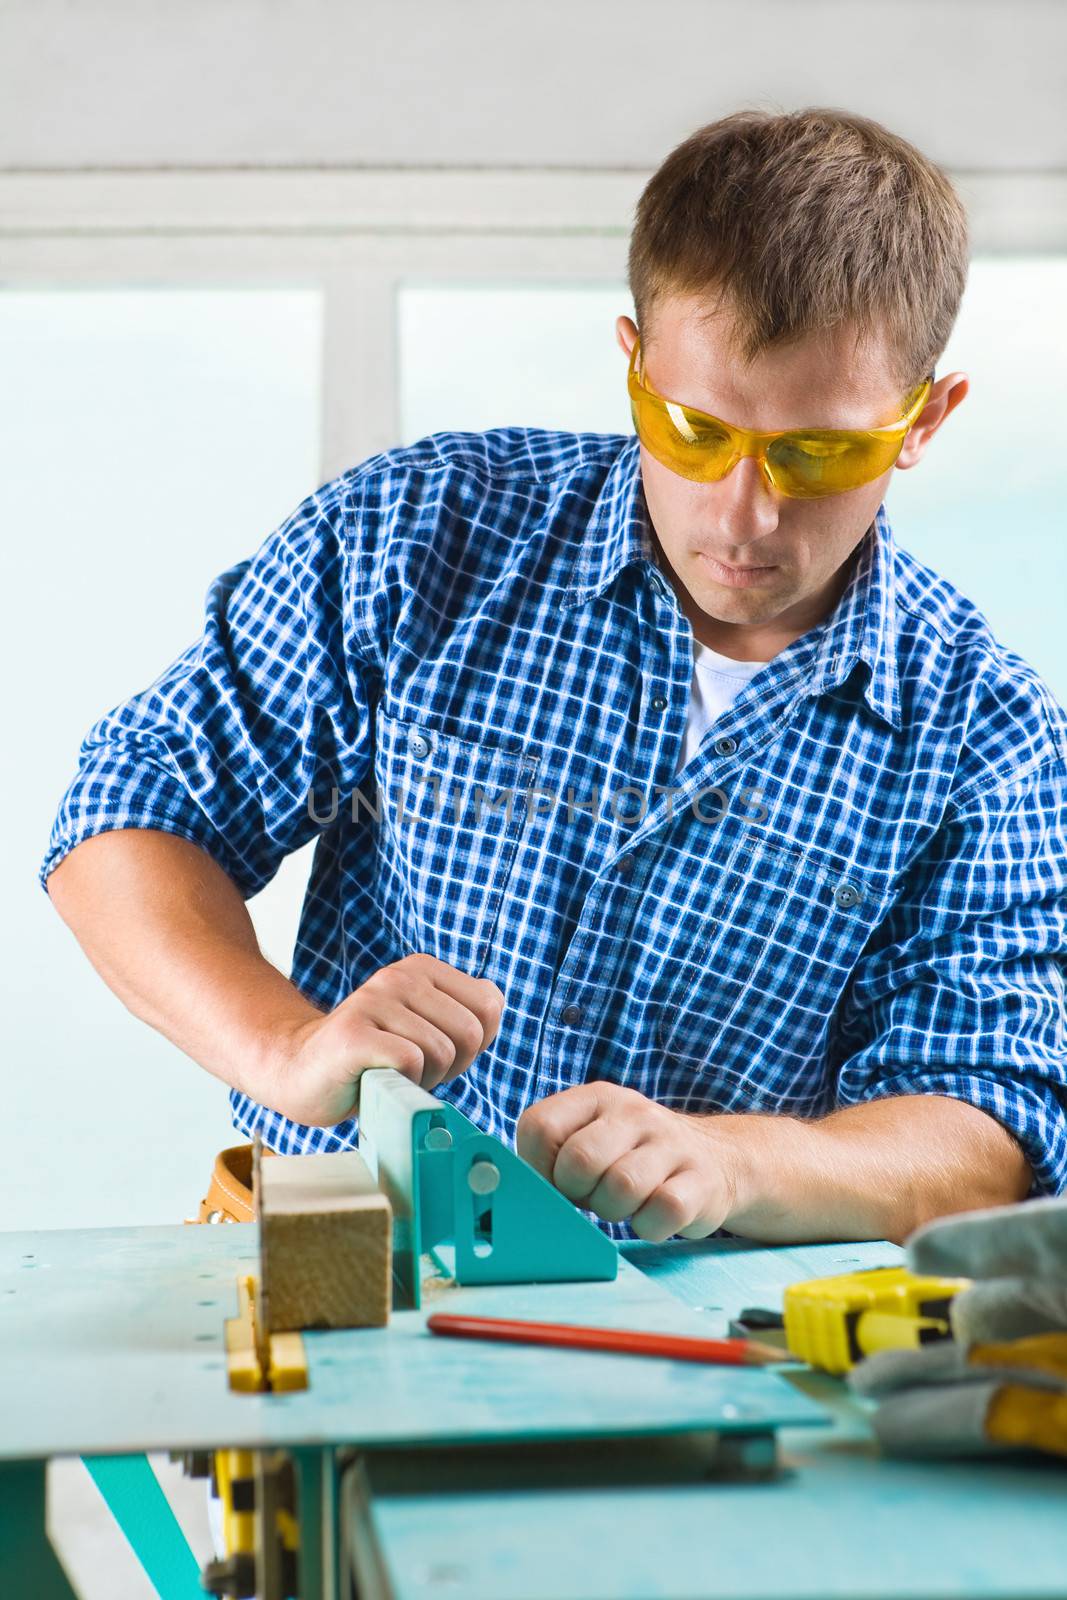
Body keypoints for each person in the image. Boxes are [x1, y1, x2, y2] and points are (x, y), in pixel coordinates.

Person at [42, 107, 1067, 1248]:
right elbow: (126, 815)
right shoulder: (419, 533)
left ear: (925, 417)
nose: (743, 513)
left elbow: (990, 1120)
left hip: (694, 1355)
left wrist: (737, 1160)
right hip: (320, 1277)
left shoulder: (993, 736)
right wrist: (284, 1049)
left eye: (817, 452)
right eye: (690, 432)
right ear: (631, 363)